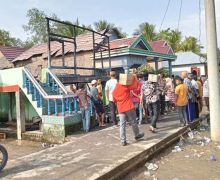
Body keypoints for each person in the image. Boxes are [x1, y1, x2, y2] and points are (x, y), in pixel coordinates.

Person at [113, 74, 144, 146]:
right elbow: (136, 86)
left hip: (120, 108)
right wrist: (135, 77)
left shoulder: (115, 89)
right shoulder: (125, 86)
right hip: (128, 106)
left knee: (122, 124)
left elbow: (114, 100)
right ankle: (137, 135)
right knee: (133, 122)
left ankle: (123, 141)